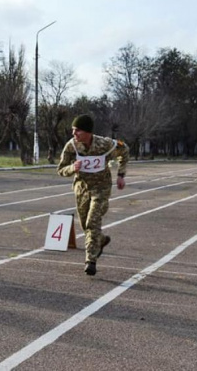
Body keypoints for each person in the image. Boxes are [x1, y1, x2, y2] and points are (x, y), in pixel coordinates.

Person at [57, 114, 129, 276]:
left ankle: (91, 260)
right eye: (73, 131)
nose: (74, 134)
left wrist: (121, 175)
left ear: (88, 131)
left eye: (77, 131)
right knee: (85, 225)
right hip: (81, 189)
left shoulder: (105, 144)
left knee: (92, 222)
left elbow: (124, 150)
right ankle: (100, 240)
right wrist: (72, 168)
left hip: (101, 189)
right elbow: (61, 169)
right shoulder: (72, 146)